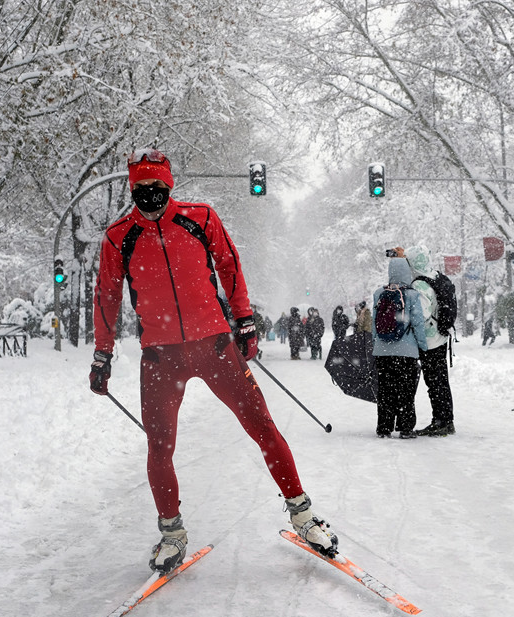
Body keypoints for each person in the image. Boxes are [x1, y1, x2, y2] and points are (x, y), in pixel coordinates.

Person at [90, 148, 338, 572]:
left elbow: (230, 265)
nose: (150, 194)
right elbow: (107, 296)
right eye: (142, 188)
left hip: (215, 347)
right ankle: (171, 534)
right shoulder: (118, 236)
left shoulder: (200, 217)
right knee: (159, 447)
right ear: (133, 189)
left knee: (262, 427)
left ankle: (303, 514)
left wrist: (244, 320)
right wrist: (102, 354)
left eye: (158, 186)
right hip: (160, 356)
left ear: (169, 186)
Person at [371, 256, 428, 438]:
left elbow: (374, 323)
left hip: (383, 351)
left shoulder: (379, 293)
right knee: (406, 391)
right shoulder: (412, 295)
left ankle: (384, 428)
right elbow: (418, 323)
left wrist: (377, 343)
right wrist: (422, 347)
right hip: (407, 352)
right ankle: (405, 428)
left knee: (385, 390)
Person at [405, 245, 455, 436]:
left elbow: (422, 314)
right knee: (441, 381)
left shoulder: (420, 284)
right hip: (441, 336)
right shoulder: (436, 276)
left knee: (434, 383)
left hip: (429, 340)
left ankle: (441, 421)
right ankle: (446, 420)